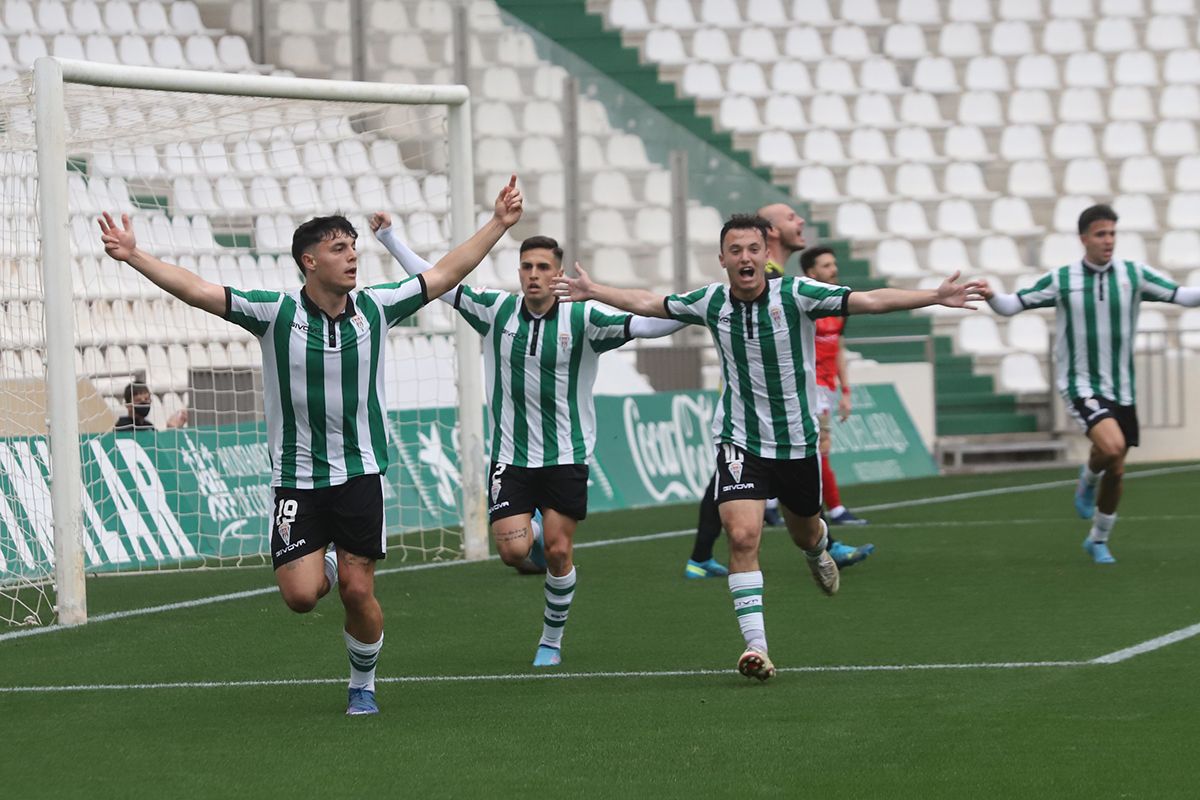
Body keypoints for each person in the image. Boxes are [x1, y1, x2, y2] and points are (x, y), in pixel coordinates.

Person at [99, 175, 524, 714]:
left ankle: (362, 683)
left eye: (353, 248)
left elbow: (445, 273)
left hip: (360, 475)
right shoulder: (275, 313)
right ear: (309, 261)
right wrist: (136, 256)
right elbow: (198, 289)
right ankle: (316, 566)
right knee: (301, 598)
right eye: (339, 249)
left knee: (357, 590)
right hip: (297, 480)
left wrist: (499, 224)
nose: (352, 258)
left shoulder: (377, 306)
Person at [554, 213, 984, 681]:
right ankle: (755, 646)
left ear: (765, 256)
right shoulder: (711, 301)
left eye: (753, 249)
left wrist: (935, 296)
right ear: (722, 259)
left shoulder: (797, 294)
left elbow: (871, 300)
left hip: (796, 443)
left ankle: (818, 550)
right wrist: (595, 291)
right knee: (741, 535)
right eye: (735, 250)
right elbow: (650, 302)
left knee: (805, 531)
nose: (745, 258)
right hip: (740, 439)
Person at [371, 218, 684, 668]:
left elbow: (648, 326)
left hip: (566, 455)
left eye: (542, 267)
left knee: (559, 550)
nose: (533, 274)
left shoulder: (585, 318)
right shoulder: (495, 311)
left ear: (558, 274)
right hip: (511, 457)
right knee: (514, 551)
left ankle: (551, 640)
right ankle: (532, 525)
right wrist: (390, 239)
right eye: (526, 266)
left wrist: (697, 311)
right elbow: (435, 282)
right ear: (518, 272)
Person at [981, 203, 1200, 564]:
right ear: (1084, 239)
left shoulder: (1133, 274)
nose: (1108, 240)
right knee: (1112, 448)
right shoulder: (1063, 279)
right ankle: (1087, 478)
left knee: (1115, 467)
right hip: (1080, 383)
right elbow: (1010, 306)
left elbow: (1182, 296)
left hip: (1122, 387)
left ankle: (1098, 537)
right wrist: (990, 296)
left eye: (1112, 233)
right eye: (1101, 234)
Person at [683, 205, 871, 581]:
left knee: (783, 505)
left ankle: (818, 542)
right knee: (738, 517)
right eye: (789, 218)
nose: (799, 222)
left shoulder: (787, 285)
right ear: (772, 232)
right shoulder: (748, 283)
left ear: (765, 248)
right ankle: (708, 558)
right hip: (746, 412)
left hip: (793, 411)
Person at [799, 246, 872, 530]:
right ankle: (836, 509)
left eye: (834, 264)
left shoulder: (840, 304)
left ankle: (772, 505)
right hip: (808, 387)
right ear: (811, 273)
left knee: (815, 451)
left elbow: (838, 347)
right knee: (819, 449)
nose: (833, 270)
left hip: (826, 386)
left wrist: (846, 390)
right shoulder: (806, 302)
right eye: (826, 265)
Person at [114, 382, 187, 431]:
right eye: (138, 400)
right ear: (128, 405)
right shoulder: (122, 427)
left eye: (146, 399)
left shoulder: (149, 427)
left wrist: (170, 429)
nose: (143, 403)